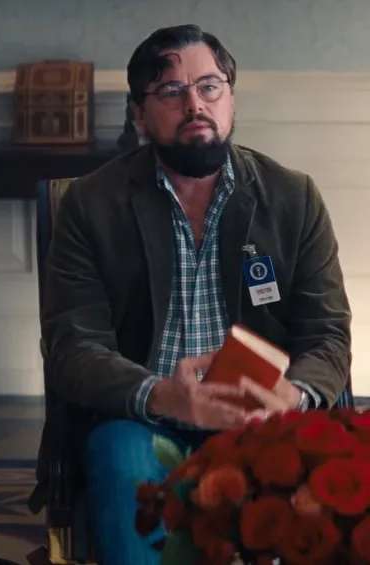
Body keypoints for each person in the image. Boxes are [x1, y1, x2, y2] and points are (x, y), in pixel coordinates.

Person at [37, 24, 351, 565]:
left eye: (209, 87)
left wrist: (294, 396)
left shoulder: (293, 198)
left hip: (260, 419)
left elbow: (327, 335)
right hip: (141, 417)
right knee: (121, 460)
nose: (195, 105)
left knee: (304, 491)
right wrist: (163, 395)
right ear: (139, 113)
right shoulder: (91, 205)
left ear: (230, 98)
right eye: (171, 91)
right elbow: (73, 347)